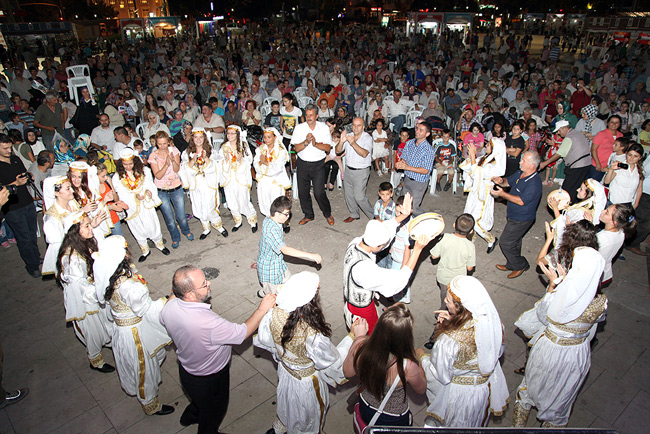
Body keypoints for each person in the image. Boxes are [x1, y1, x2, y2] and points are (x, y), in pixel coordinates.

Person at [160, 266, 276, 432]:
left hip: (187, 372)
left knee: (199, 402)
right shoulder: (207, 323)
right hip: (210, 378)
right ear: (190, 294)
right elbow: (242, 333)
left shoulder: (169, 307)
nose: (209, 283)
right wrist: (263, 309)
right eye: (203, 284)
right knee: (214, 411)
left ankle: (190, 416)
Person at [254, 271, 363, 434]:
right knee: (307, 419)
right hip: (306, 385)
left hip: (286, 372)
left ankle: (279, 427)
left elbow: (267, 341)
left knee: (287, 402)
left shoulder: (273, 314)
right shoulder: (311, 335)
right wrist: (352, 336)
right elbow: (332, 362)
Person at [513, 247, 607, 428]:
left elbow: (542, 315)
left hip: (550, 349)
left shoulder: (559, 296)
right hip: (576, 353)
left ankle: (518, 428)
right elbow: (594, 316)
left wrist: (553, 287)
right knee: (561, 395)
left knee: (531, 387)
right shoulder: (601, 302)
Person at [92, 235, 174, 416]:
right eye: (126, 248)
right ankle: (151, 404)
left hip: (124, 328)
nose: (129, 251)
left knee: (154, 356)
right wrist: (168, 299)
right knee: (144, 369)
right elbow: (147, 310)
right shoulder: (129, 286)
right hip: (134, 333)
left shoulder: (108, 273)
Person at [420, 275, 509, 427]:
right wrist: (454, 322)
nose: (445, 302)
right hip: (482, 393)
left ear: (460, 307)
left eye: (448, 301)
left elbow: (441, 375)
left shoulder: (449, 340)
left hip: (458, 397)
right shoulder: (494, 326)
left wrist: (422, 357)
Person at [343, 193, 433, 333]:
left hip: (353, 301)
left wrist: (403, 216)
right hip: (362, 311)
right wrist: (417, 250)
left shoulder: (355, 242)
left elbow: (383, 228)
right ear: (377, 247)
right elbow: (399, 280)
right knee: (370, 339)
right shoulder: (365, 270)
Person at [343, 303, 426, 428]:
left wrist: (358, 338)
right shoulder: (407, 365)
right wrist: (421, 360)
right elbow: (421, 389)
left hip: (366, 407)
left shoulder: (362, 346)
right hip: (393, 418)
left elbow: (347, 372)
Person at [56, 211, 114, 372]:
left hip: (93, 291)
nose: (91, 228)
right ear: (75, 231)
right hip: (84, 300)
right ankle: (96, 360)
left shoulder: (84, 242)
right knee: (92, 330)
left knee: (104, 321)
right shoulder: (71, 259)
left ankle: (109, 341)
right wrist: (101, 291)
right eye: (87, 226)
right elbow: (79, 287)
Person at [491, 150, 543, 279]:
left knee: (505, 242)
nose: (520, 162)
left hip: (522, 218)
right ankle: (512, 264)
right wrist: (500, 180)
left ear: (532, 165)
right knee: (515, 240)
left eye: (523, 160)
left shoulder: (534, 183)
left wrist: (502, 194)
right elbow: (508, 182)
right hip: (513, 215)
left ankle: (520, 264)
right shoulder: (521, 173)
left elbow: (521, 201)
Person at [256, 196, 322, 297]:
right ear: (277, 213)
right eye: (286, 214)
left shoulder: (272, 219)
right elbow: (285, 250)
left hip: (278, 263)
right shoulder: (271, 230)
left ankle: (266, 290)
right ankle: (266, 291)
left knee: (289, 284)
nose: (288, 217)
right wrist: (310, 255)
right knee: (275, 297)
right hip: (270, 270)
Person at [113, 148, 170, 262]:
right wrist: (134, 198)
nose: (128, 167)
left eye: (130, 164)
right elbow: (120, 193)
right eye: (125, 164)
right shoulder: (117, 177)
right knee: (136, 227)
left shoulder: (144, 171)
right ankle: (145, 250)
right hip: (132, 208)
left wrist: (145, 194)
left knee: (152, 224)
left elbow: (150, 185)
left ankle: (159, 244)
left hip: (145, 204)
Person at [179, 127, 228, 240]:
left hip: (208, 183)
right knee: (199, 206)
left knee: (209, 206)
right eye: (196, 137)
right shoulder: (187, 153)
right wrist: (193, 160)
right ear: (192, 138)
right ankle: (206, 228)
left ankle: (219, 226)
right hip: (196, 184)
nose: (198, 139)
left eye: (201, 137)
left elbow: (215, 167)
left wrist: (205, 158)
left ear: (204, 138)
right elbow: (184, 168)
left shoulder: (211, 151)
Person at [148, 131, 194, 249]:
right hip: (162, 190)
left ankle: (186, 230)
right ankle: (175, 237)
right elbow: (158, 175)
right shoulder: (153, 156)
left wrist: (173, 161)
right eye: (160, 144)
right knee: (169, 218)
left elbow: (177, 169)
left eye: (165, 143)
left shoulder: (174, 150)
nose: (163, 147)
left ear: (168, 142)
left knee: (181, 215)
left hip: (176, 188)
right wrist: (166, 164)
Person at [291, 104, 335, 226]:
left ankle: (327, 213)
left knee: (319, 192)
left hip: (318, 165)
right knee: (303, 192)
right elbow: (296, 149)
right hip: (303, 164)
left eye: (311, 115)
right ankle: (308, 215)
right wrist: (306, 142)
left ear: (316, 116)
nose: (309, 117)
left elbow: (327, 148)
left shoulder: (323, 128)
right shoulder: (299, 128)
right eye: (307, 114)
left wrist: (315, 144)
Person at [460, 138, 506, 252]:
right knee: (469, 214)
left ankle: (491, 239)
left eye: (489, 145)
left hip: (483, 194)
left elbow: (476, 173)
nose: (486, 145)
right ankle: (471, 239)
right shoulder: (485, 158)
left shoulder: (494, 166)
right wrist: (470, 157)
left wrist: (472, 155)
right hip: (475, 191)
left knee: (477, 220)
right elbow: (471, 166)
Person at [429, 213, 476, 311]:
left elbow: (434, 256)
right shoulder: (470, 246)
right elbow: (470, 268)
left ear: (454, 225)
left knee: (445, 298)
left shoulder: (445, 238)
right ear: (471, 231)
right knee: (456, 300)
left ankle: (442, 311)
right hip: (458, 281)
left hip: (443, 277)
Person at [539, 120, 592, 203]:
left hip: (577, 166)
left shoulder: (569, 138)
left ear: (564, 128)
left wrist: (545, 163)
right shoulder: (576, 133)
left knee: (568, 188)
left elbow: (559, 153)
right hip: (585, 164)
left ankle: (565, 205)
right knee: (576, 186)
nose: (559, 133)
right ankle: (573, 203)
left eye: (559, 131)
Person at [335, 116, 375, 223]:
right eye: (354, 125)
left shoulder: (367, 138)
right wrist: (341, 142)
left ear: (363, 127)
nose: (356, 128)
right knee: (348, 195)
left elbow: (364, 154)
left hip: (361, 171)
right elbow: (337, 151)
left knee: (359, 197)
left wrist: (353, 143)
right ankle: (354, 214)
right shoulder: (349, 136)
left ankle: (373, 216)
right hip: (348, 169)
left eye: (359, 125)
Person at [219, 125, 258, 232]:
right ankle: (238, 221)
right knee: (231, 201)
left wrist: (242, 160)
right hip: (229, 178)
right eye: (228, 133)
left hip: (241, 177)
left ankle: (252, 220)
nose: (230, 135)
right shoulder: (224, 147)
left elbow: (249, 159)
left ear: (237, 135)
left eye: (232, 133)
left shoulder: (243, 145)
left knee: (243, 199)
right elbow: (219, 162)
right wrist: (225, 161)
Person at [395, 122, 434, 216]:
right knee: (406, 204)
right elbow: (404, 158)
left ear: (427, 134)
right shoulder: (409, 143)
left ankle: (424, 220)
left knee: (414, 208)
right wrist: (400, 163)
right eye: (417, 128)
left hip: (419, 182)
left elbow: (426, 170)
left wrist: (407, 167)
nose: (417, 131)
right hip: (408, 178)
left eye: (421, 130)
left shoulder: (429, 150)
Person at [253, 127, 291, 217]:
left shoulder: (281, 151)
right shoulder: (260, 149)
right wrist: (260, 163)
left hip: (276, 180)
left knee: (277, 202)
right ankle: (270, 219)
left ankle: (283, 221)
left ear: (275, 137)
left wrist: (265, 162)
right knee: (264, 201)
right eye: (265, 137)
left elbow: (278, 168)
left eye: (269, 137)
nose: (266, 139)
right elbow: (255, 163)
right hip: (264, 180)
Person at [598, 204, 637, 284]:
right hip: (606, 272)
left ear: (613, 222)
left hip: (596, 274)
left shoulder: (602, 238)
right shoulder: (621, 232)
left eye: (607, 212)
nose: (603, 211)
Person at [604, 142, 643, 207]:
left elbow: (639, 188)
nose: (632, 158)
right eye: (630, 155)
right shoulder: (620, 166)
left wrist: (636, 204)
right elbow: (607, 181)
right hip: (614, 203)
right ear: (626, 154)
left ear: (640, 157)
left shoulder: (639, 170)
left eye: (635, 156)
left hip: (628, 204)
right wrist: (611, 169)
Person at [589, 115, 623, 182]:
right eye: (612, 122)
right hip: (598, 164)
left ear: (619, 124)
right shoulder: (601, 134)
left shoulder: (620, 135)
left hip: (611, 166)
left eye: (616, 122)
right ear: (608, 123)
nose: (614, 124)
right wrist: (598, 163)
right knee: (593, 185)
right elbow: (593, 149)